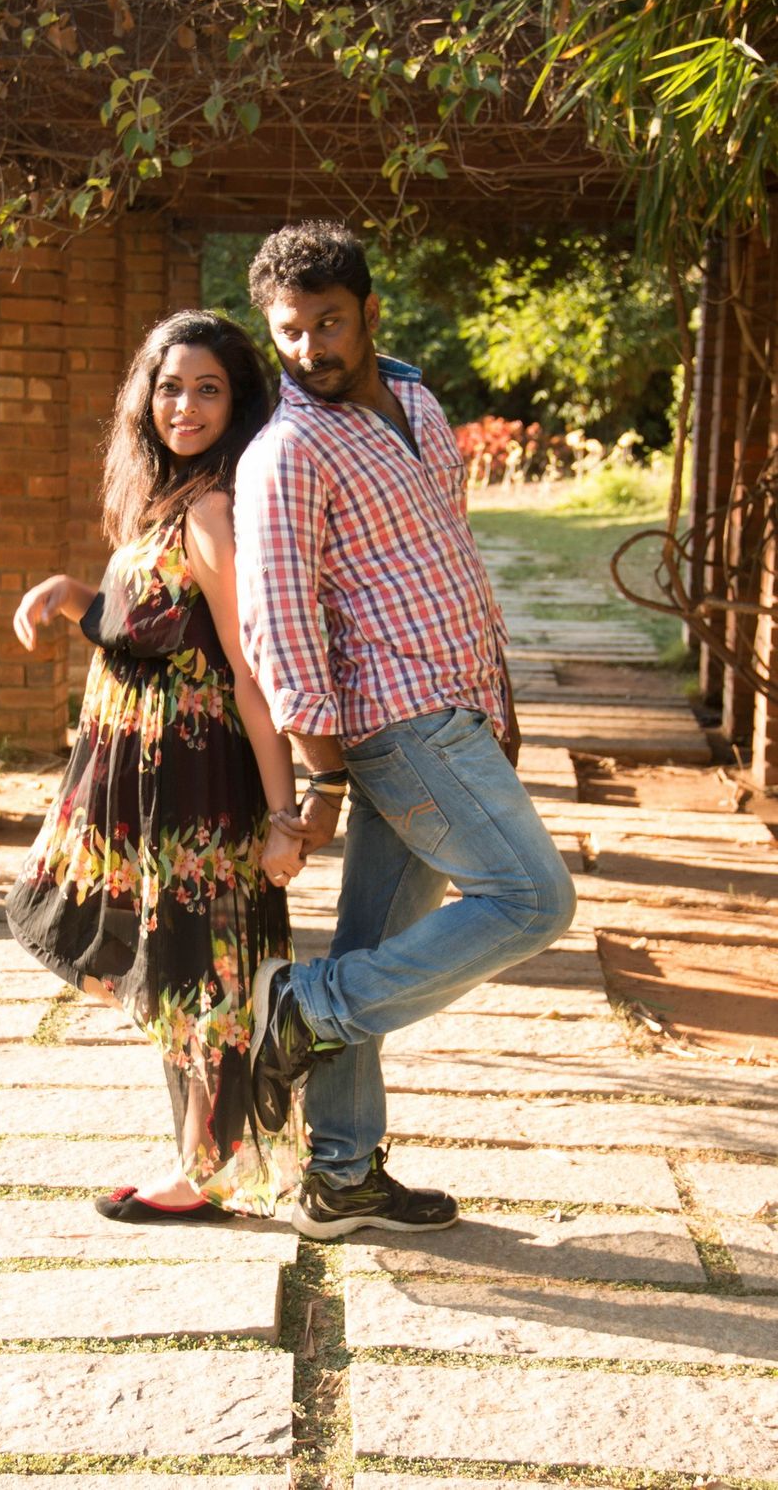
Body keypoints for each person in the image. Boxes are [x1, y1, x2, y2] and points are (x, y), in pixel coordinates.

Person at [233, 221, 577, 1239]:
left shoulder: (418, 402)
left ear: (369, 311)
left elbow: (451, 556)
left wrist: (501, 698)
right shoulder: (286, 452)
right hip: (399, 722)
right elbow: (279, 625)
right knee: (531, 900)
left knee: (376, 943)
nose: (310, 349)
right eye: (289, 332)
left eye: (328, 323)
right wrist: (323, 777)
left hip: (460, 702)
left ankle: (340, 1175)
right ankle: (304, 1009)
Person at [6, 310, 306, 1223]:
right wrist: (72, 594)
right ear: (145, 396)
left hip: (197, 790)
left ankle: (202, 1171)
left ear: (238, 402)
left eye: (208, 389)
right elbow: (152, 625)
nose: (185, 406)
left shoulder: (212, 511)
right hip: (147, 793)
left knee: (199, 972)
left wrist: (286, 818)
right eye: (170, 387)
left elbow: (250, 674)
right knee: (174, 965)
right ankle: (203, 1159)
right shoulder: (167, 501)